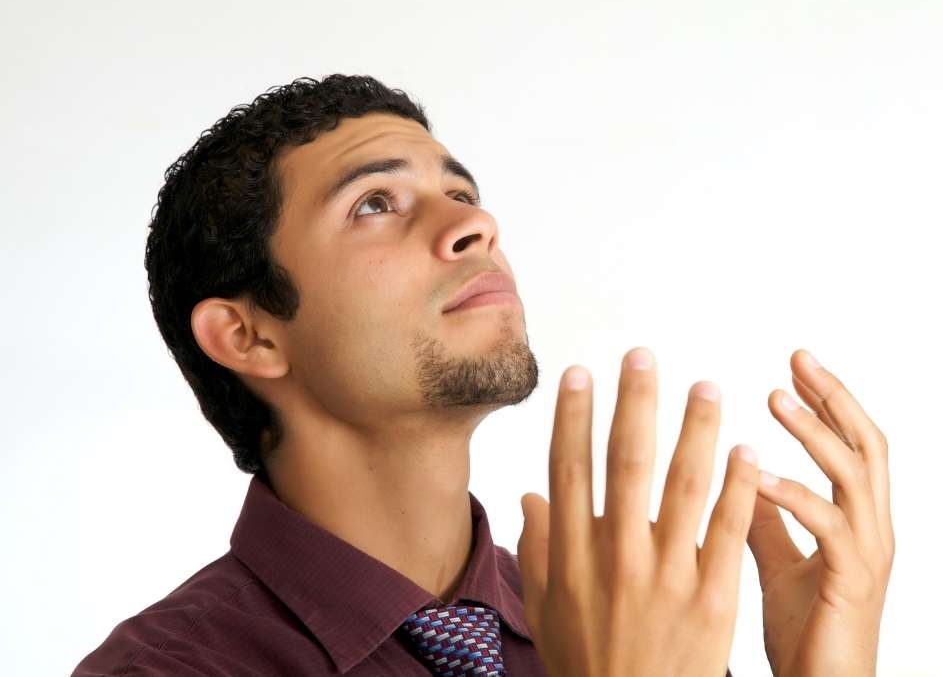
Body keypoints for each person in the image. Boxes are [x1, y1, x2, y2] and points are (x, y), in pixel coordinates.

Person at [72, 74, 893, 676]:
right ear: (249, 335)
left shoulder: (623, 616)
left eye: (460, 191)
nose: (475, 223)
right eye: (376, 203)